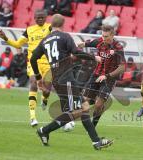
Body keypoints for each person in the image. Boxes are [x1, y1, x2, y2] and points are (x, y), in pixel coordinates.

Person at [31, 14, 113, 150]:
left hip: (57, 79)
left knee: (83, 108)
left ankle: (96, 141)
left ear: (51, 26)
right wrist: (93, 57)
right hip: (66, 79)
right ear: (63, 24)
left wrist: (38, 77)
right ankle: (44, 130)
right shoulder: (65, 36)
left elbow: (33, 58)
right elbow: (76, 52)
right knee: (76, 111)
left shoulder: (45, 40)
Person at [0, 9, 52, 127]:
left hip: (47, 63)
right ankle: (32, 117)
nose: (40, 19)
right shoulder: (29, 30)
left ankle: (45, 99)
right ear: (34, 18)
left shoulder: (50, 28)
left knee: (47, 89)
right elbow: (17, 44)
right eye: (38, 17)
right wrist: (5, 38)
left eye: (42, 17)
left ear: (46, 18)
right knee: (33, 83)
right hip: (33, 62)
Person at [78, 25, 125, 128]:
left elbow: (122, 68)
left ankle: (92, 126)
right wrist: (83, 44)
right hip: (96, 74)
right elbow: (92, 42)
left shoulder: (118, 47)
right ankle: (91, 101)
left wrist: (107, 76)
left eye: (106, 36)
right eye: (103, 36)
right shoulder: (100, 41)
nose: (104, 38)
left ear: (112, 35)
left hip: (109, 79)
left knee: (98, 105)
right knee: (83, 100)